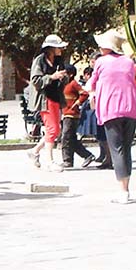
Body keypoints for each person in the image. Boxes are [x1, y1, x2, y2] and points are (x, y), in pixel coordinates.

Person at [90, 29, 136, 203]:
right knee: (126, 148)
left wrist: (92, 95)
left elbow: (92, 83)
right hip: (132, 107)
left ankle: (123, 191)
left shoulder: (101, 62)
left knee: (116, 149)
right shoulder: (128, 61)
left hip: (112, 108)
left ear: (106, 46)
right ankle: (126, 187)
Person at [26, 34, 70, 172]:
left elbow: (64, 79)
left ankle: (35, 151)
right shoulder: (39, 61)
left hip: (56, 97)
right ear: (51, 48)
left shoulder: (59, 61)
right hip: (45, 99)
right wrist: (51, 77)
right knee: (52, 129)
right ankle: (49, 161)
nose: (61, 50)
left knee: (55, 129)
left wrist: (63, 77)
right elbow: (36, 80)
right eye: (58, 47)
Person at [59, 64, 96, 168]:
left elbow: (84, 94)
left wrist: (77, 103)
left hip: (71, 115)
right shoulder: (63, 84)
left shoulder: (73, 84)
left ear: (70, 74)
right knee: (71, 139)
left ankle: (67, 160)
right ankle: (86, 156)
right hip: (65, 114)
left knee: (66, 137)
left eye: (65, 73)